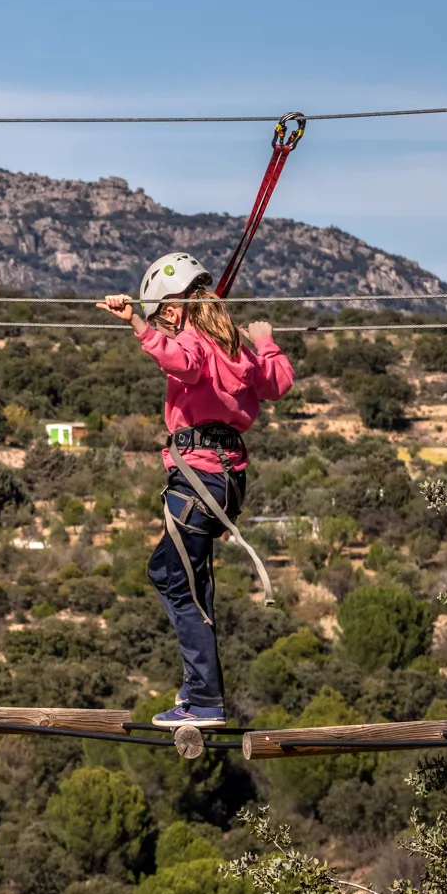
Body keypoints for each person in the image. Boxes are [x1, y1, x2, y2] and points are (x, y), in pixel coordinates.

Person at [97, 252, 294, 729]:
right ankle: (199, 689)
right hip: (225, 479)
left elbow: (179, 360)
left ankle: (204, 697)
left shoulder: (192, 340)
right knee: (178, 575)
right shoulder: (239, 348)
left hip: (200, 477)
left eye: (157, 317)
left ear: (168, 309)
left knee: (173, 578)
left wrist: (136, 327)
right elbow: (278, 382)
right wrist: (265, 339)